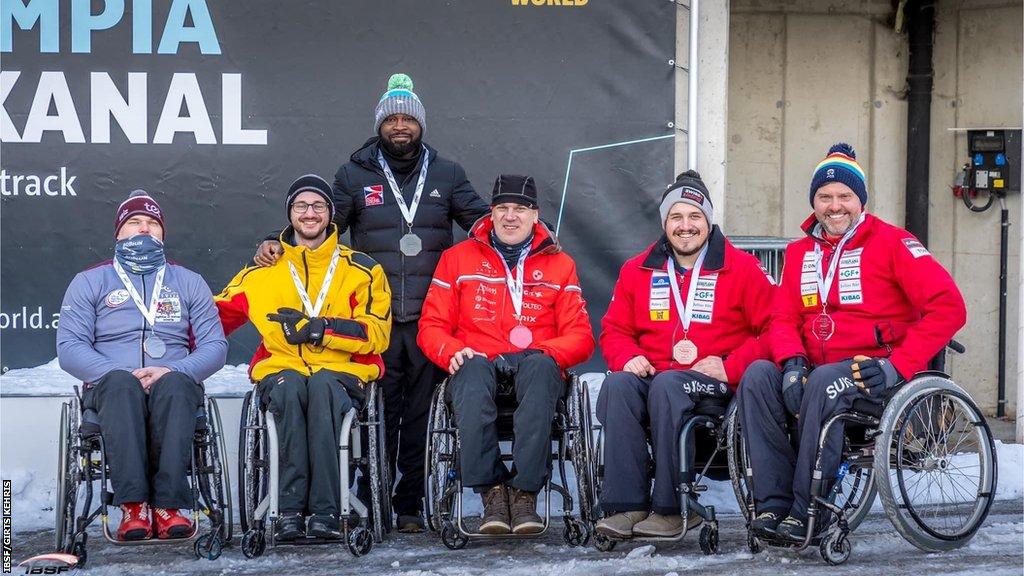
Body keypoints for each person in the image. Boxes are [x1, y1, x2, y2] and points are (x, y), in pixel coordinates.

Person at [254, 74, 489, 532]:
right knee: (375, 413)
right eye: (391, 119)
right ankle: (368, 499)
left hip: (429, 317)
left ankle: (409, 506)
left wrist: (525, 234)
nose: (400, 126)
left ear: (420, 124)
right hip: (375, 315)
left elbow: (482, 221)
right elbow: (320, 227)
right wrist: (277, 242)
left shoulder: (448, 174)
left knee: (421, 415)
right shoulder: (353, 174)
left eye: (408, 118)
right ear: (379, 125)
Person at [739, 143, 967, 541]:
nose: (835, 206)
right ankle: (773, 507)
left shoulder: (893, 243)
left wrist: (898, 365)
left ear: (860, 201)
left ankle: (809, 509)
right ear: (814, 201)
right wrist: (792, 364)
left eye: (845, 196)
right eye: (825, 197)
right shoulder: (798, 252)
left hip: (875, 373)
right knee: (758, 374)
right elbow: (782, 318)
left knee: (827, 380)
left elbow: (949, 308)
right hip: (813, 370)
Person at [593, 171, 775, 538]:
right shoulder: (637, 269)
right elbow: (613, 330)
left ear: (708, 220)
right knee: (618, 387)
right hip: (658, 378)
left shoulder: (742, 268)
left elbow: (775, 329)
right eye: (676, 217)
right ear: (665, 223)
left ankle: (672, 507)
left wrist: (729, 366)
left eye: (694, 216)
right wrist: (626, 355)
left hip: (715, 387)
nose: (685, 226)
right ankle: (627, 506)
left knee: (668, 385)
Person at [216, 175, 392, 541]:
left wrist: (321, 328)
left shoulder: (362, 269)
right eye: (301, 206)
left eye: (318, 206)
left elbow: (377, 333)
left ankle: (327, 511)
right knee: (290, 388)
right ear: (289, 214)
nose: (309, 214)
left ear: (330, 215)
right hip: (283, 370)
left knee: (324, 386)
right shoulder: (261, 271)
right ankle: (289, 510)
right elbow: (212, 319)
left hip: (343, 372)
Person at [417, 174, 595, 534]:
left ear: (535, 215)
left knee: (542, 369)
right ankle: (492, 493)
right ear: (491, 213)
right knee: (470, 370)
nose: (510, 216)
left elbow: (581, 337)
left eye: (520, 209)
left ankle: (525, 493)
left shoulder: (561, 264)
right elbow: (431, 326)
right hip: (478, 365)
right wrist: (452, 351)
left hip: (534, 368)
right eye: (502, 208)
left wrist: (539, 353)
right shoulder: (457, 259)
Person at [56, 190, 227, 541]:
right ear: (118, 232)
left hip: (173, 384)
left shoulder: (189, 281)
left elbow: (216, 347)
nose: (144, 230)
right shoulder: (89, 281)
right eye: (134, 223)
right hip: (112, 386)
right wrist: (118, 374)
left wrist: (174, 370)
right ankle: (133, 506)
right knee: (121, 386)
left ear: (163, 233)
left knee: (178, 385)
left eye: (152, 224)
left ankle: (168, 505)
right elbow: (70, 348)